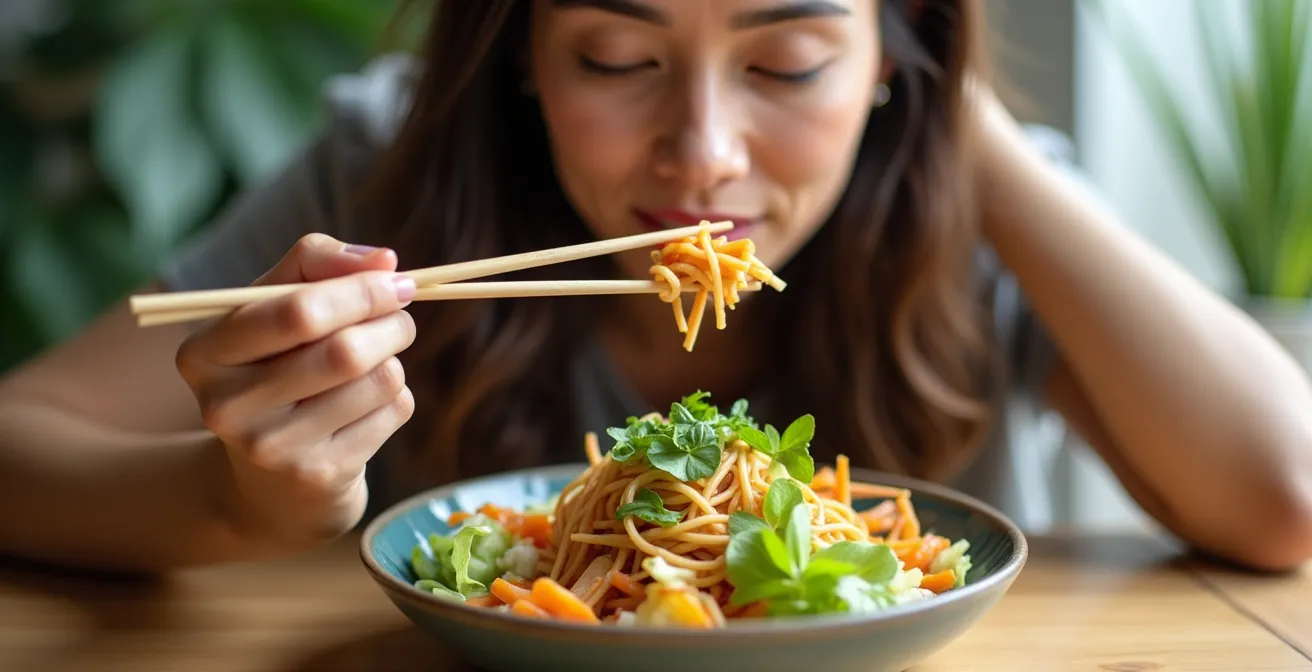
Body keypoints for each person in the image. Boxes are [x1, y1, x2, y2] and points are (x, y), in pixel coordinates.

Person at [1, 0, 1309, 575]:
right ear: (519, 53)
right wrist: (236, 502)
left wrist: (948, 117)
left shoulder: (973, 212)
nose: (704, 154)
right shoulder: (391, 170)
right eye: (618, 56)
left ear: (893, 53)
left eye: (786, 61)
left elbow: (1288, 501)